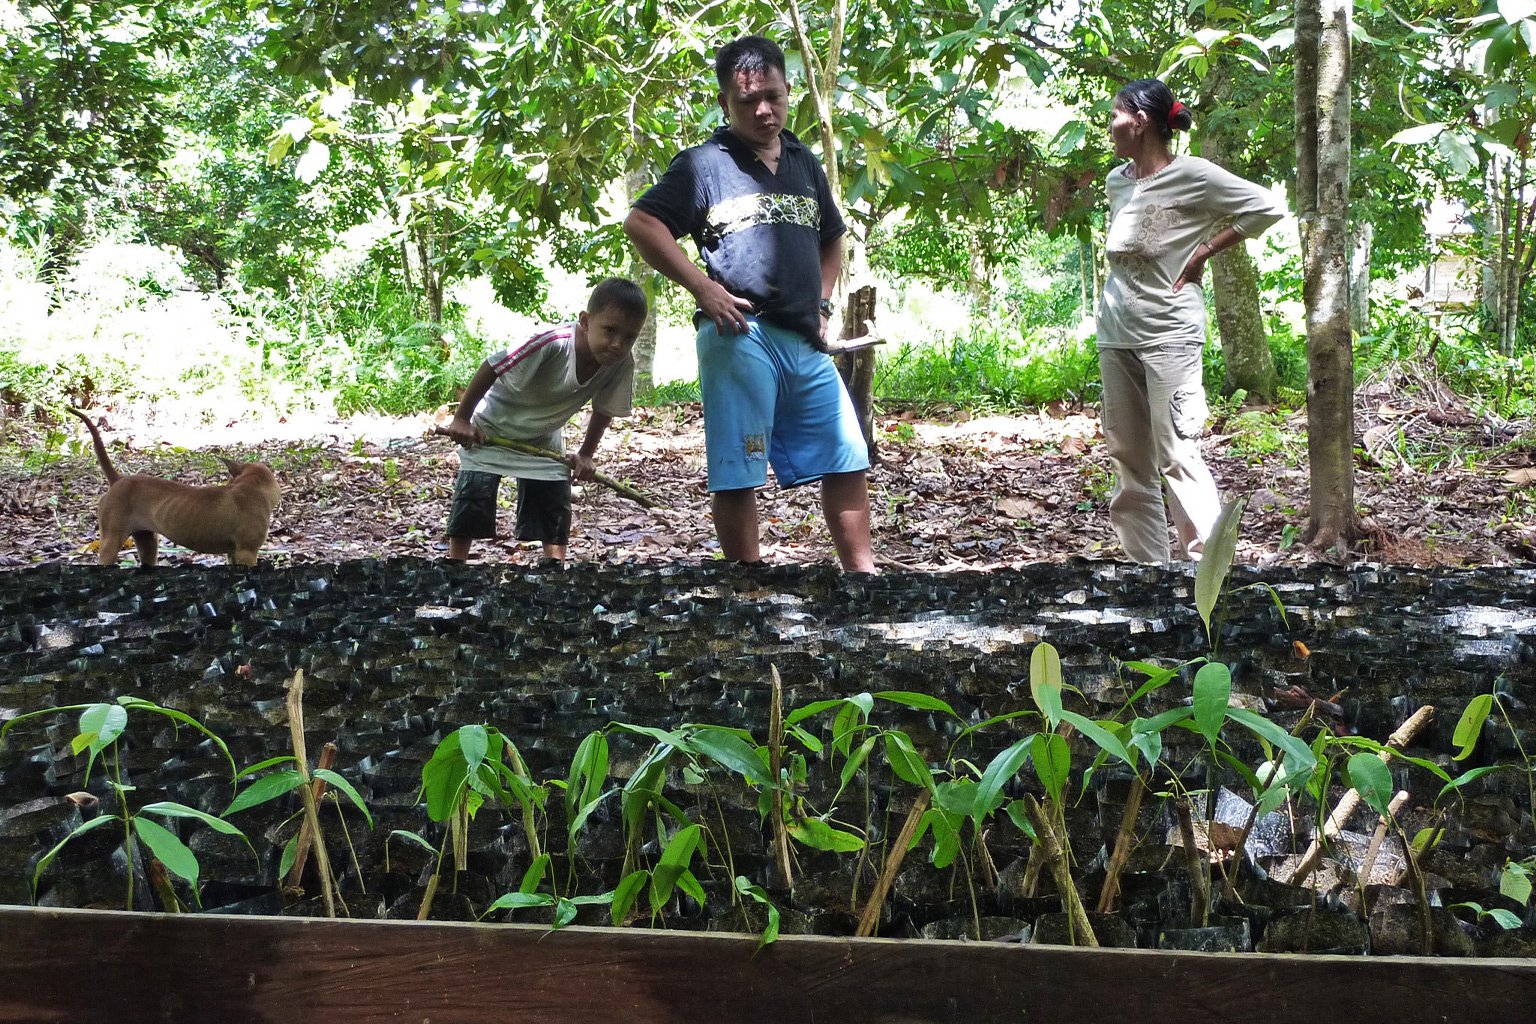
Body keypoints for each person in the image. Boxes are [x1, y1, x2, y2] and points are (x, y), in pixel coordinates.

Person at [623, 34, 875, 573]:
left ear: (789, 92)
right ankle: (747, 583)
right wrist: (701, 286)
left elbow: (833, 237)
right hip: (739, 334)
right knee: (739, 466)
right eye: (747, 101)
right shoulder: (702, 165)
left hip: (805, 337)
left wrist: (824, 303)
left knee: (848, 455)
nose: (763, 109)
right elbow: (642, 222)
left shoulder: (805, 161)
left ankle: (864, 577)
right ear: (724, 103)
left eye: (774, 97)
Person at [1098, 78, 1286, 564]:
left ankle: (1208, 574)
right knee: (1129, 460)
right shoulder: (1118, 180)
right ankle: (1149, 573)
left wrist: (1205, 250)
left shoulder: (1194, 175)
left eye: (1116, 115)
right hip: (1116, 336)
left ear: (1140, 122)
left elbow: (1267, 207)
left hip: (1170, 336)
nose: (1110, 124)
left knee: (1178, 455)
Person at [441, 277, 647, 565]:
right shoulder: (552, 342)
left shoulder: (621, 364)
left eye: (629, 337)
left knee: (553, 504)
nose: (617, 344)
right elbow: (492, 365)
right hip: (493, 427)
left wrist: (586, 454)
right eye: (610, 330)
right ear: (586, 321)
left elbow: (604, 409)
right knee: (473, 497)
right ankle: (456, 566)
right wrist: (462, 418)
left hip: (543, 437)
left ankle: (554, 568)